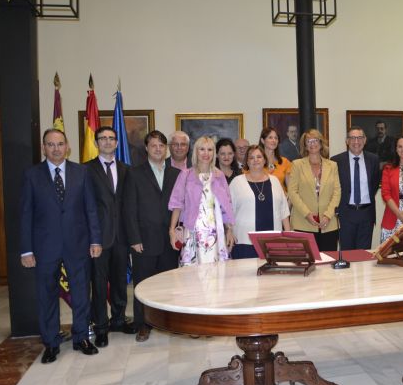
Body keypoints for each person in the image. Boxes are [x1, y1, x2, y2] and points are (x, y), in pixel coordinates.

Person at [20, 129, 102, 363]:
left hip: (78, 244)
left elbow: (91, 209)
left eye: (60, 144)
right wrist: (26, 249)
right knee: (46, 295)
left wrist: (95, 240)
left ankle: (81, 337)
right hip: (45, 246)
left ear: (68, 146)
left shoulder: (82, 172)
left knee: (80, 293)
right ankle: (51, 342)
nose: (56, 149)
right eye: (50, 144)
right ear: (44, 147)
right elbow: (26, 214)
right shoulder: (31, 175)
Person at [124, 130, 180, 342]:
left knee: (169, 284)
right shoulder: (134, 173)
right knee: (143, 285)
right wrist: (134, 239)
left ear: (166, 149)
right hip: (144, 240)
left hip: (169, 240)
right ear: (146, 148)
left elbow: (181, 206)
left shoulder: (176, 174)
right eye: (154, 145)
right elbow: (129, 208)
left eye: (161, 146)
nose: (158, 149)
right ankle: (143, 324)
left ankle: (169, 322)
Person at [87, 126, 136, 349]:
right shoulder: (86, 170)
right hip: (98, 238)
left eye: (111, 138)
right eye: (103, 138)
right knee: (98, 284)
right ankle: (101, 327)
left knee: (119, 281)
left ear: (117, 143)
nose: (107, 142)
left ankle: (118, 320)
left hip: (122, 236)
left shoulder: (127, 170)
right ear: (97, 142)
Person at [169, 136, 236, 266]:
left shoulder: (219, 175)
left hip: (216, 231)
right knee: (192, 273)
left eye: (210, 149)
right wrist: (172, 230)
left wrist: (229, 230)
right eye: (202, 149)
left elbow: (226, 205)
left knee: (216, 273)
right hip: (193, 230)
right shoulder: (186, 174)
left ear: (214, 153)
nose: (206, 153)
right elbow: (177, 204)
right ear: (196, 152)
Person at [229, 145, 291, 258]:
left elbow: (284, 211)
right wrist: (228, 231)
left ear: (264, 160)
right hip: (244, 242)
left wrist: (287, 235)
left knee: (272, 274)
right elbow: (228, 211)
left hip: (274, 242)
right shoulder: (237, 182)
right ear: (247, 161)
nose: (255, 160)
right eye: (251, 157)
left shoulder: (275, 181)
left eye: (259, 156)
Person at [288, 129, 341, 251]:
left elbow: (337, 192)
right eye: (309, 141)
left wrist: (328, 215)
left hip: (328, 224)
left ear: (321, 143)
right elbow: (292, 192)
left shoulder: (332, 165)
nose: (312, 143)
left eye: (315, 140)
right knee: (306, 261)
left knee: (328, 262)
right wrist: (307, 214)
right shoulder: (297, 165)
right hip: (303, 222)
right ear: (305, 145)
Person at [331, 126, 381, 250]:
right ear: (347, 141)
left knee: (363, 255)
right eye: (352, 138)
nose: (356, 142)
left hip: (366, 214)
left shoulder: (374, 159)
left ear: (365, 140)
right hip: (345, 213)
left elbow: (374, 185)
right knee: (347, 254)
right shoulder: (336, 161)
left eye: (359, 138)